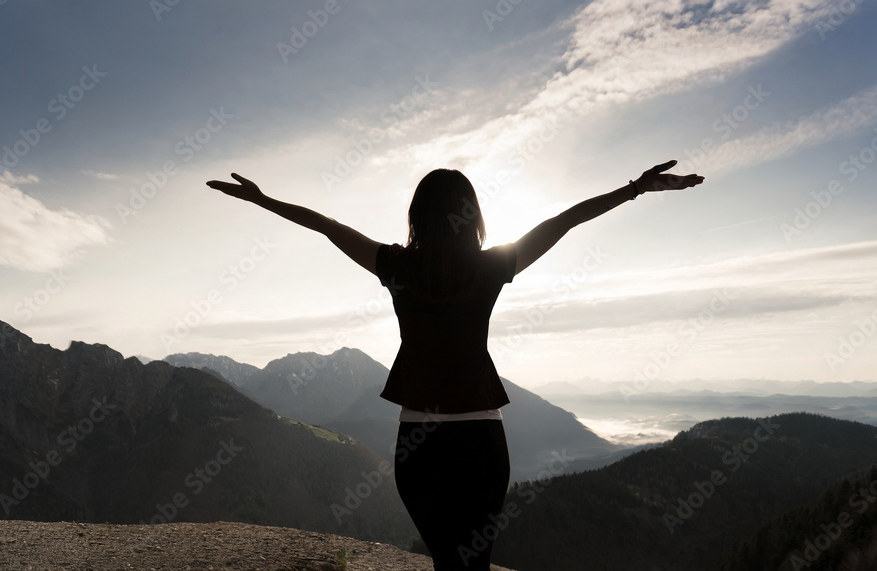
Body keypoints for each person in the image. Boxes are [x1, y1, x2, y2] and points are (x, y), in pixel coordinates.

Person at [206, 161, 703, 570]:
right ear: (472, 216)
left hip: (417, 445)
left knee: (448, 563)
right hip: (482, 439)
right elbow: (564, 221)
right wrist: (635, 188)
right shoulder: (489, 267)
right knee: (474, 565)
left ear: (417, 217)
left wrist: (264, 201)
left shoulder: (397, 267)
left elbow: (327, 226)